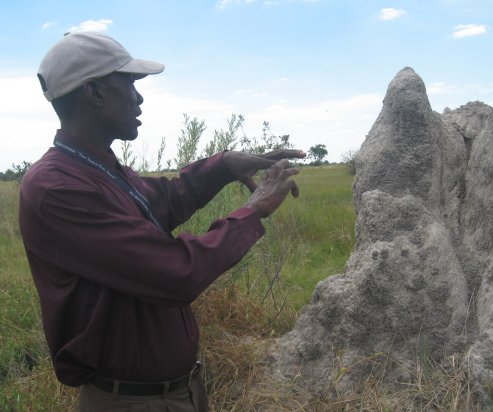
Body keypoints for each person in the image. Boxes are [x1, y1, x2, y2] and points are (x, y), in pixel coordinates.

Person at [19, 31, 305, 412]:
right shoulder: (57, 187)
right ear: (95, 93)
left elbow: (166, 199)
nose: (139, 97)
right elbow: (174, 272)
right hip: (130, 402)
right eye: (130, 83)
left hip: (176, 393)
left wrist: (224, 165)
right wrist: (254, 211)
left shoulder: (99, 168)